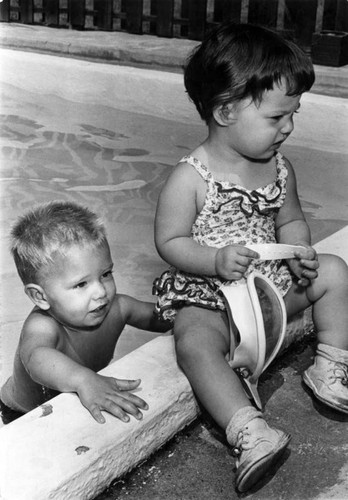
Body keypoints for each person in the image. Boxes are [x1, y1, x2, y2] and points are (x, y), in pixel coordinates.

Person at [153, 22, 348, 492]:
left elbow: (292, 221)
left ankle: (332, 364)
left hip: (269, 288)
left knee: (335, 271)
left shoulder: (282, 168)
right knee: (194, 342)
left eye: (293, 114)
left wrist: (300, 251)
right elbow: (171, 242)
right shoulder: (191, 177)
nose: (290, 127)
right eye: (277, 117)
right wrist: (215, 259)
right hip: (213, 293)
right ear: (225, 111)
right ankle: (248, 428)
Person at [0, 201, 170, 425]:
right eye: (81, 284)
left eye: (106, 274)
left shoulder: (118, 307)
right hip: (24, 411)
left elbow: (160, 318)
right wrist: (84, 380)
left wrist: (178, 308)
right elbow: (36, 359)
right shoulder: (43, 326)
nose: (101, 292)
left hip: (83, 391)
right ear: (40, 297)